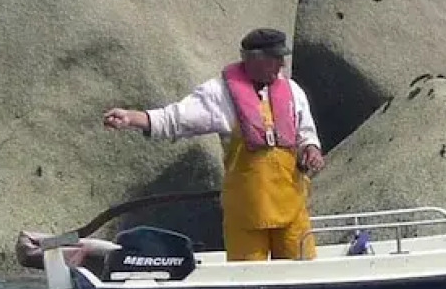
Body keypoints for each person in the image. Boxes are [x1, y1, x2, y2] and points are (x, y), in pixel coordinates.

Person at [102, 28, 326, 261]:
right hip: (247, 213)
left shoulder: (292, 91)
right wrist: (132, 118)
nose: (281, 64)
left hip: (291, 207)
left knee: (301, 267)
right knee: (248, 274)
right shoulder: (219, 93)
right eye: (275, 58)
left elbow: (306, 133)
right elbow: (176, 118)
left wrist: (311, 149)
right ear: (253, 59)